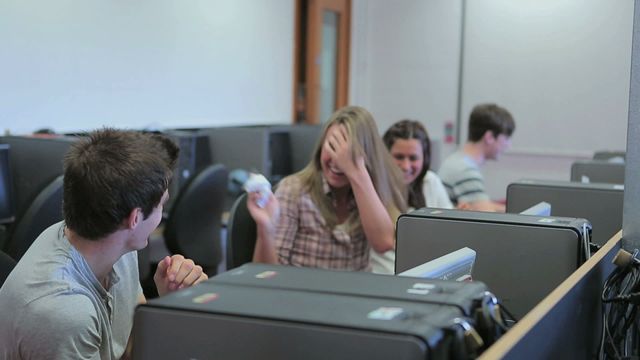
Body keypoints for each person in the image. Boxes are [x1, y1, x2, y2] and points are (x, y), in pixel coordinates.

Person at [0, 129, 208, 359]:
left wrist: (169, 302)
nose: (161, 214)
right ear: (135, 218)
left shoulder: (117, 246)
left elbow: (130, 347)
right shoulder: (64, 311)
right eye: (161, 205)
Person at [248, 106, 407, 271]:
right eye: (331, 146)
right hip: (304, 292)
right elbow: (266, 274)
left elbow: (384, 243)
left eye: (347, 152)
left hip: (354, 293)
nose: (337, 160)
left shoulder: (368, 188)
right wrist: (265, 229)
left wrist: (356, 173)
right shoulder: (294, 190)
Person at [369, 120, 453, 274]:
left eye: (413, 158)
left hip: (426, 275)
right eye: (399, 157)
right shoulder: (371, 186)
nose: (406, 166)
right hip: (383, 279)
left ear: (425, 159)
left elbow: (449, 233)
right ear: (385, 156)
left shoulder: (431, 182)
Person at [438, 103, 515, 212]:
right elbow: (486, 213)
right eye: (506, 138)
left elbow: (484, 204)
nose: (508, 144)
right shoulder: (465, 170)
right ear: (489, 137)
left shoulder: (458, 161)